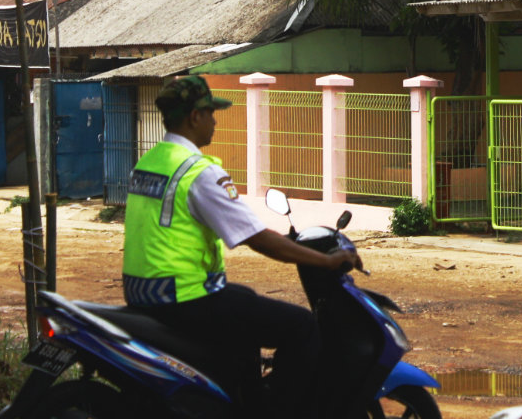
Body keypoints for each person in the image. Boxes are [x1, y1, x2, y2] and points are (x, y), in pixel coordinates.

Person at [122, 75, 359, 417]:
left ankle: (246, 395)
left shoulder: (152, 161)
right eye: (210, 113)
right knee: (302, 326)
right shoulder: (198, 172)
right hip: (183, 298)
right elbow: (256, 238)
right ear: (194, 117)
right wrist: (325, 262)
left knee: (245, 298)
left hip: (144, 293)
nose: (215, 121)